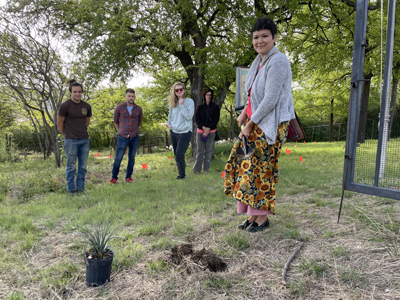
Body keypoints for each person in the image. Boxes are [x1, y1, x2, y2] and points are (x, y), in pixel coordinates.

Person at [224, 17, 295, 232]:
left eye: (265, 36)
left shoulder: (278, 60)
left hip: (270, 125)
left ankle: (262, 219)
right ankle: (252, 216)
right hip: (255, 123)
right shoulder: (259, 61)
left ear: (274, 38)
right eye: (256, 37)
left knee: (262, 169)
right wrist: (245, 115)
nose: (260, 41)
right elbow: (254, 94)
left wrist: (249, 124)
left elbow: (271, 99)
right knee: (247, 168)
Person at [57, 80, 92, 194]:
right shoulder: (65, 106)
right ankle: (71, 190)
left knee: (82, 166)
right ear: (70, 92)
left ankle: (81, 189)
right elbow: (59, 123)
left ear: (82, 92)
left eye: (80, 92)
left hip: (84, 140)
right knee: (71, 166)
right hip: (70, 140)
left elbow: (86, 123)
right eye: (75, 92)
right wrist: (67, 135)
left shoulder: (86, 106)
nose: (77, 94)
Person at [110, 88, 143, 184]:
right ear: (125, 96)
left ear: (135, 97)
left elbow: (139, 122)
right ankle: (114, 177)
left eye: (133, 96)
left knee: (132, 157)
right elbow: (115, 121)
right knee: (118, 158)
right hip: (122, 136)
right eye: (129, 96)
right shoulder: (119, 107)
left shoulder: (139, 109)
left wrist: (134, 130)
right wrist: (120, 130)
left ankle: (128, 177)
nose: (131, 98)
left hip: (134, 136)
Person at [166, 82, 195, 179]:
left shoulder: (189, 102)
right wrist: (168, 124)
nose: (179, 91)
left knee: (179, 154)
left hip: (185, 131)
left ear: (184, 90)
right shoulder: (172, 103)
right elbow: (169, 117)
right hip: (174, 131)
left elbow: (189, 117)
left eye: (180, 89)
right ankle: (181, 173)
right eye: (176, 90)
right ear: (174, 91)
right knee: (176, 154)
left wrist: (182, 105)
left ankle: (182, 176)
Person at [193, 88, 220, 174]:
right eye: (207, 95)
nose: (208, 97)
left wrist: (208, 129)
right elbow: (197, 119)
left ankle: (206, 169)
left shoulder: (215, 107)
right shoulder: (200, 107)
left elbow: (216, 119)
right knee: (200, 150)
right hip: (200, 131)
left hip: (211, 132)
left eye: (210, 95)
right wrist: (203, 128)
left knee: (208, 151)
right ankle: (197, 169)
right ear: (204, 96)